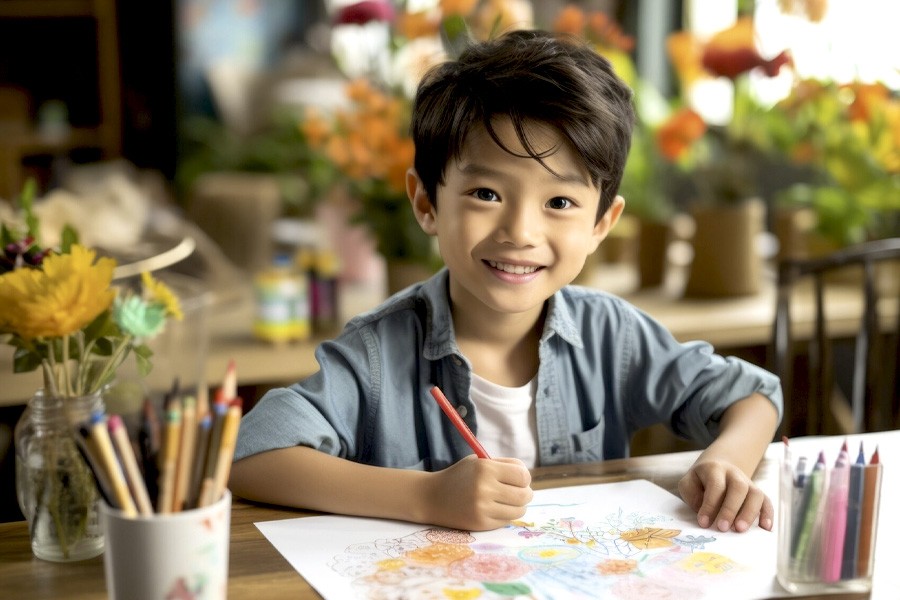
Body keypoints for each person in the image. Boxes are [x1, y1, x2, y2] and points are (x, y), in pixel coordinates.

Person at [230, 29, 782, 534]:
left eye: (560, 202)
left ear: (601, 225)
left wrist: (725, 460)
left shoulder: (612, 335)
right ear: (426, 203)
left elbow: (754, 396)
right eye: (486, 194)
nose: (520, 232)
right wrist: (426, 497)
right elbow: (249, 456)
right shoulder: (377, 354)